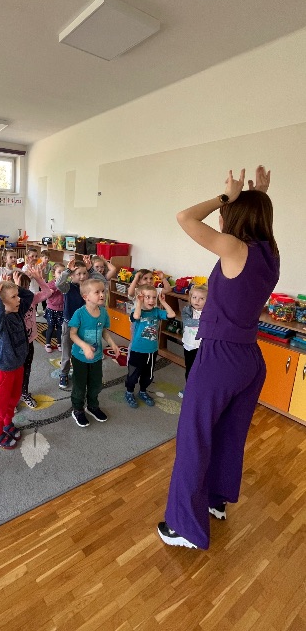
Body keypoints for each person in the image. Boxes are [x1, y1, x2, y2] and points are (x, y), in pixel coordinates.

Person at [158, 166, 279, 550]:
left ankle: (184, 528)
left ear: (234, 216)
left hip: (220, 357)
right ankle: (216, 500)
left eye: (226, 213)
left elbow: (185, 217)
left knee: (193, 437)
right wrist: (258, 196)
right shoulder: (270, 253)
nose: (221, 218)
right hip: (249, 359)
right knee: (228, 434)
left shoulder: (234, 249)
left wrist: (226, 196)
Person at [0, 274, 34, 449]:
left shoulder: (17, 312)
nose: (19, 299)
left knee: (13, 398)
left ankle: (8, 423)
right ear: (1, 302)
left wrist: (16, 287)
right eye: (14, 297)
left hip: (18, 365)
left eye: (17, 296)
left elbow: (29, 296)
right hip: (5, 369)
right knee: (1, 403)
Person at [69, 278, 121, 427]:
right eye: (97, 292)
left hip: (96, 357)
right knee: (79, 386)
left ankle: (92, 406)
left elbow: (104, 331)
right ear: (86, 297)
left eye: (103, 291)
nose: (102, 294)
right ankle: (78, 409)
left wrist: (112, 344)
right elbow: (72, 334)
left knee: (96, 384)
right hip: (80, 357)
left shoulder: (103, 312)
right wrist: (85, 346)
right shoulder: (79, 314)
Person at [56, 257, 106, 390]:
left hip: (85, 324)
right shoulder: (67, 287)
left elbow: (102, 282)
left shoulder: (89, 287)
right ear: (72, 275)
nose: (82, 276)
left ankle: (83, 372)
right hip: (69, 324)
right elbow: (58, 283)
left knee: (83, 349)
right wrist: (67, 270)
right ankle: (63, 373)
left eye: (85, 273)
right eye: (78, 274)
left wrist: (91, 269)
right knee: (67, 351)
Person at [125, 285, 176, 408]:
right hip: (137, 351)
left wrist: (163, 302)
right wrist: (139, 303)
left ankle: (143, 391)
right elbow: (136, 317)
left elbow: (172, 314)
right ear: (140, 298)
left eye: (154, 297)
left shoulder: (156, 311)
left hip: (152, 351)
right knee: (133, 374)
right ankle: (129, 392)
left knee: (148, 375)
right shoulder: (137, 311)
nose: (152, 300)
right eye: (147, 297)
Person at [17, 269, 53, 408]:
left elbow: (48, 292)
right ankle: (13, 397)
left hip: (30, 341)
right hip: (16, 345)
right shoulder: (10, 303)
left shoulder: (31, 298)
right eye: (21, 286)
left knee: (27, 369)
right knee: (15, 372)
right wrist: (16, 288)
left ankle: (24, 392)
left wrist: (39, 279)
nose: (25, 289)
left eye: (26, 286)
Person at [178, 284, 208, 398]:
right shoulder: (187, 310)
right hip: (189, 346)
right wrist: (205, 323)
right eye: (194, 297)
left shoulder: (209, 312)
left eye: (201, 298)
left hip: (203, 347)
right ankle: (188, 388)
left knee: (202, 370)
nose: (197, 301)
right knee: (190, 369)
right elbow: (188, 322)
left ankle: (199, 390)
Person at [44, 262, 65, 352]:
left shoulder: (66, 284)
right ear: (53, 273)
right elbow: (46, 295)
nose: (62, 275)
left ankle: (59, 343)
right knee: (51, 327)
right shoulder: (50, 284)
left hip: (62, 310)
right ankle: (48, 343)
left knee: (60, 328)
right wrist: (52, 291)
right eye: (59, 272)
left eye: (64, 273)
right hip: (52, 309)